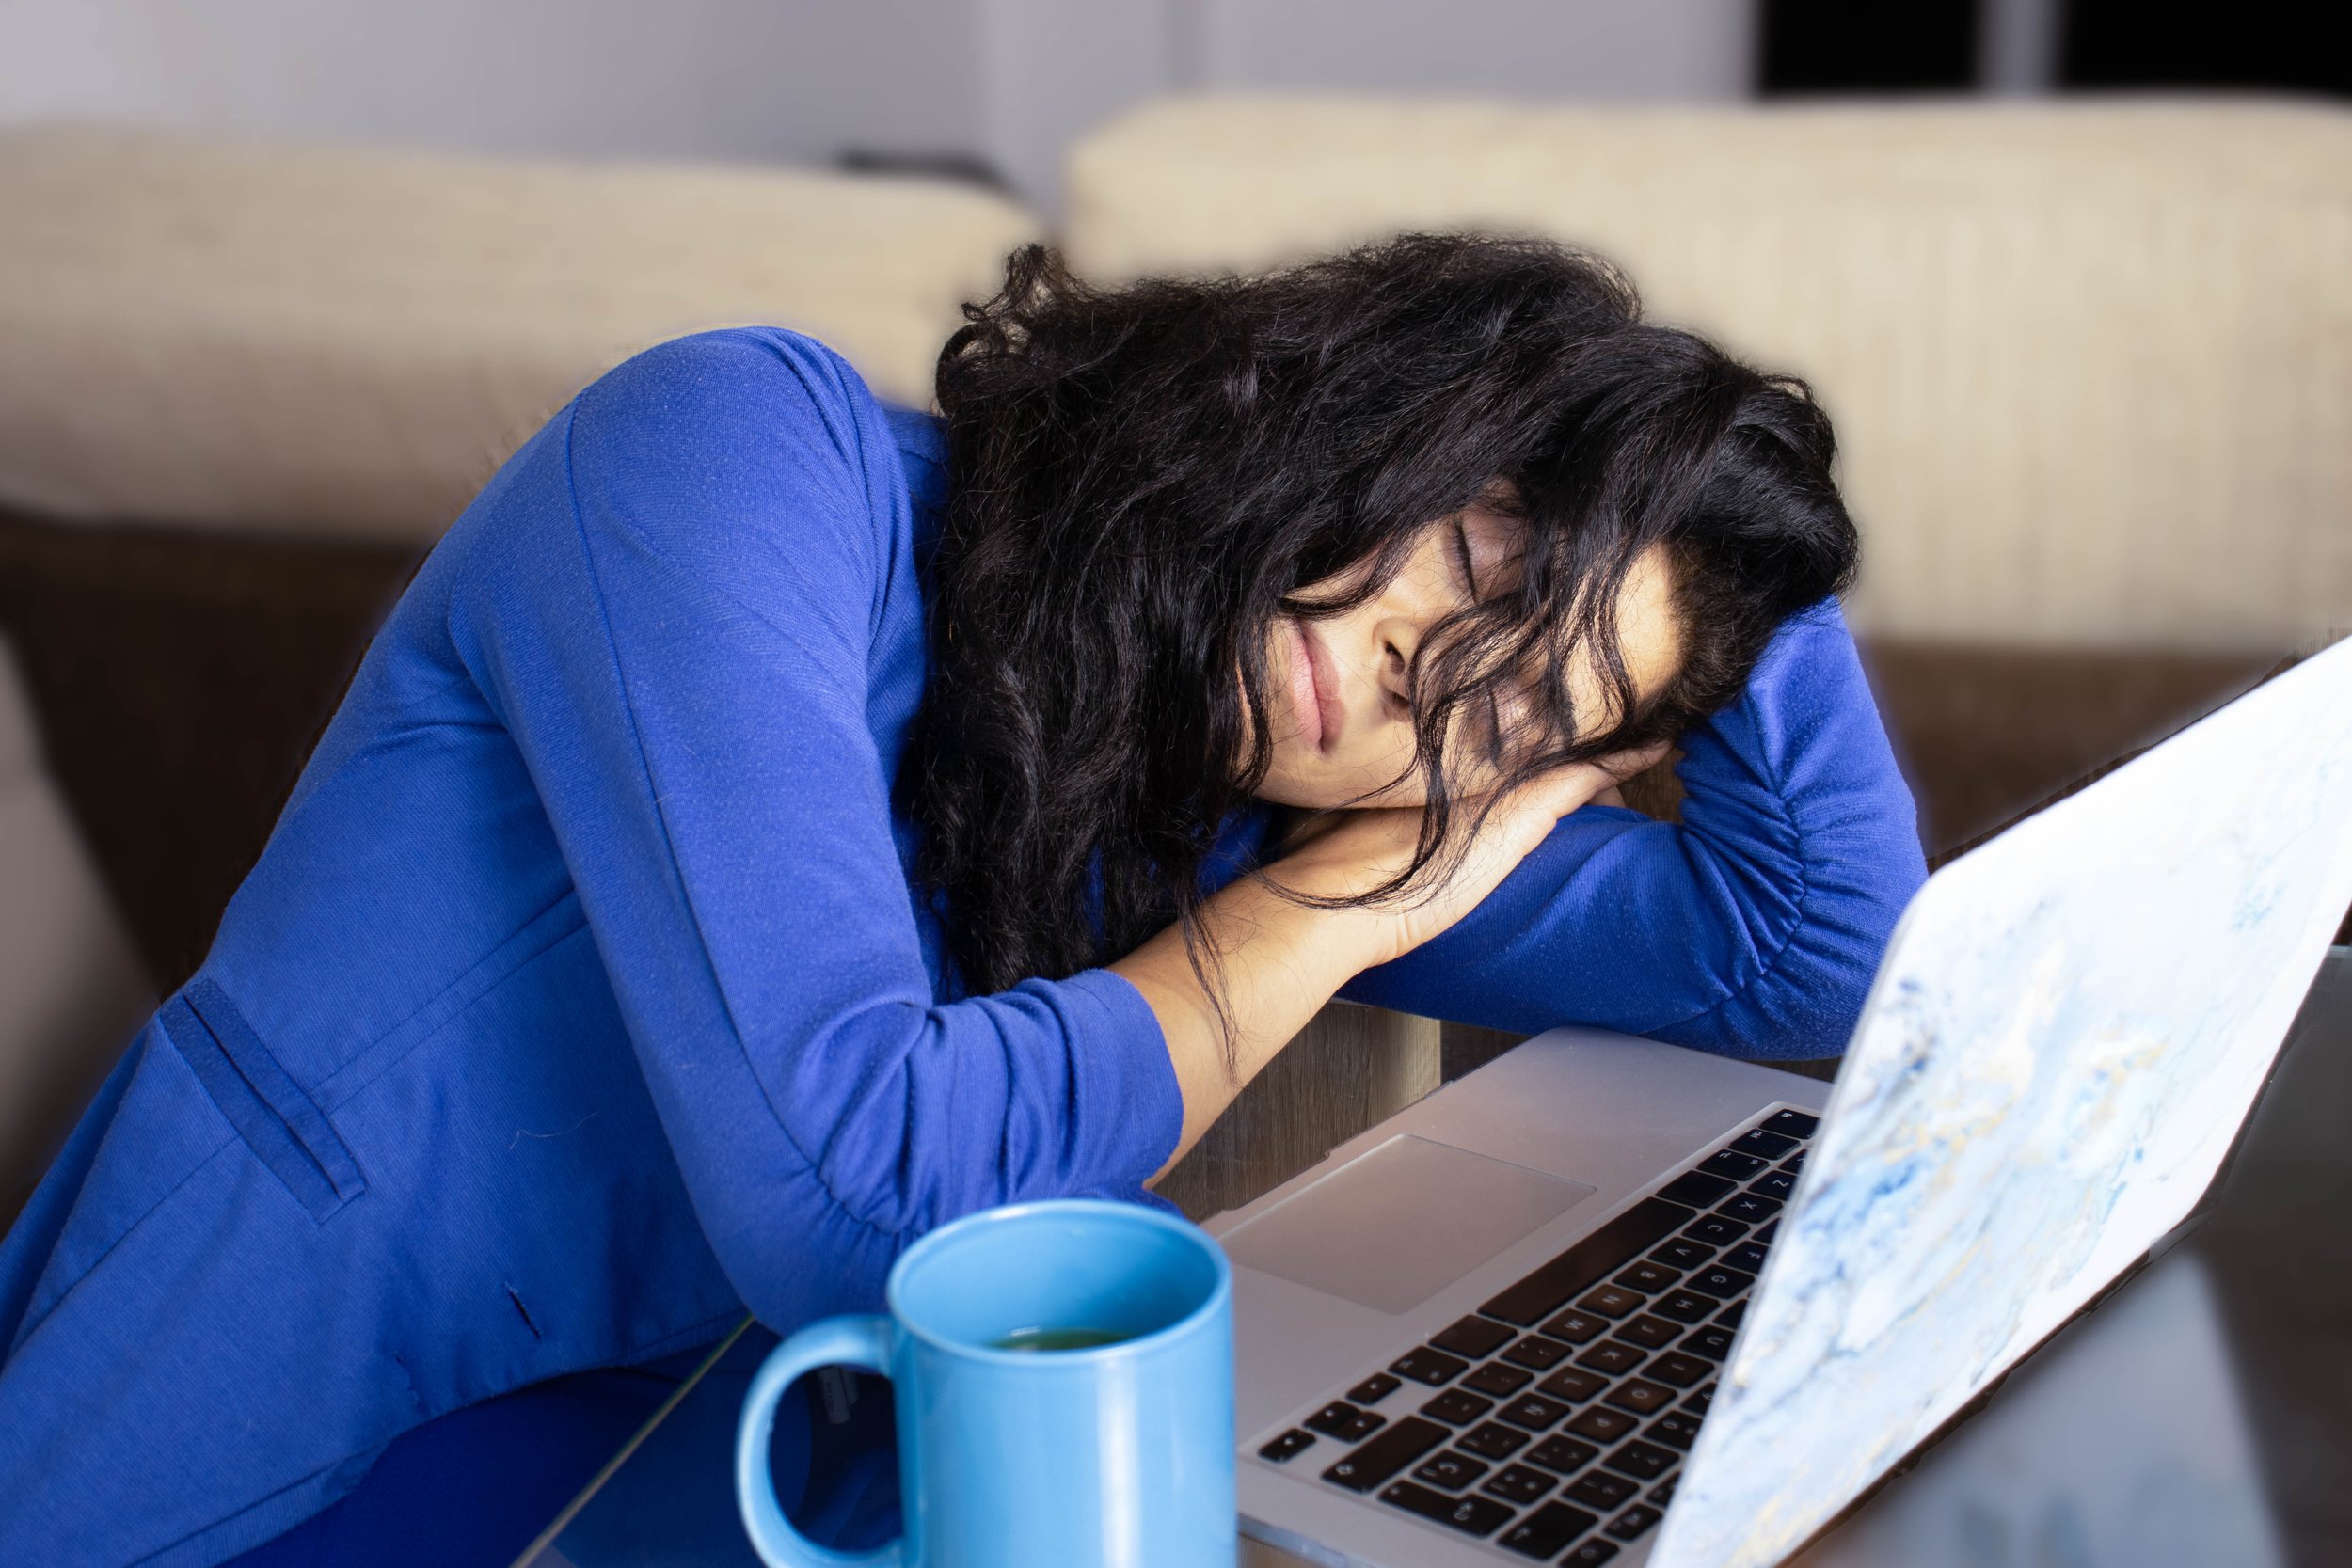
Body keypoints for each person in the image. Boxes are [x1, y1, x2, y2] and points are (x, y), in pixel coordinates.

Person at [0, 234, 1925, 1565]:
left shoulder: (1261, 789)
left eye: (1522, 707)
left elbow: (1819, 958)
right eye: (1478, 553)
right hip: (247, 1455)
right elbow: (862, 1205)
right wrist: (1329, 923)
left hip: (732, 1481)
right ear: (1361, 400)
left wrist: (1711, 520)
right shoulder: (724, 459)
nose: (1436, 684)